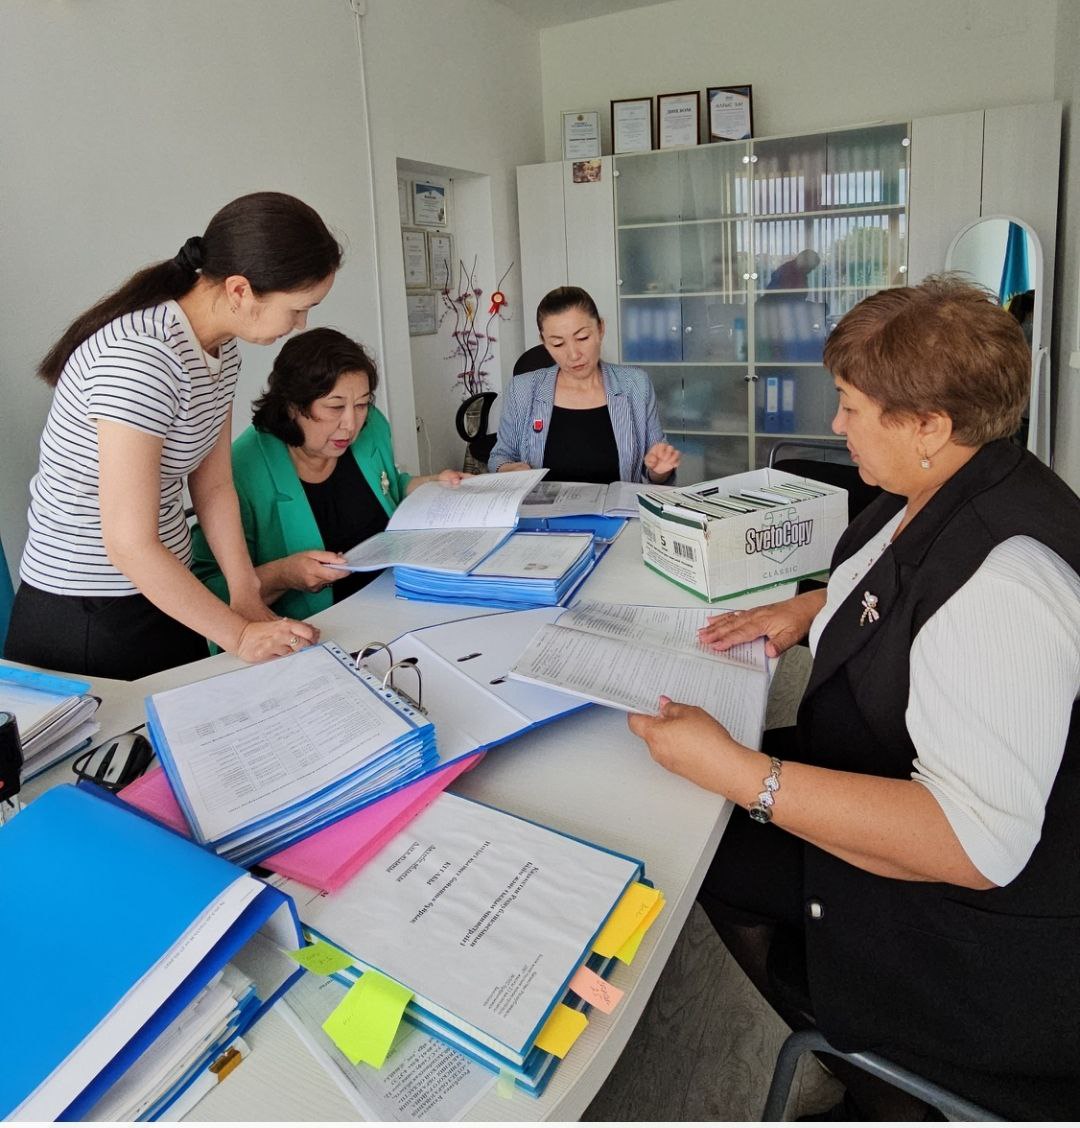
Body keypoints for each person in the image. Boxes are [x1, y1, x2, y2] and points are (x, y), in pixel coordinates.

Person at [628, 277, 1080, 1120]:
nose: (835, 425)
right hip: (882, 762)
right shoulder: (952, 481)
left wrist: (747, 776)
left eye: (851, 406)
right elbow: (892, 576)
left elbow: (975, 845)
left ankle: (880, 1070)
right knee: (694, 815)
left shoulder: (1004, 589)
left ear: (928, 425)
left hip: (974, 921)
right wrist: (810, 609)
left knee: (704, 834)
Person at [4, 192, 342, 680]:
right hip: (89, 613)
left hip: (165, 591)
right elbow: (128, 544)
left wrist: (244, 591)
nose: (301, 324)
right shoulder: (140, 358)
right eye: (297, 309)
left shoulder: (220, 351)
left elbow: (214, 485)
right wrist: (239, 636)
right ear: (241, 290)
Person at [191, 328, 467, 622]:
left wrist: (431, 486)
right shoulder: (240, 470)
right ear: (292, 405)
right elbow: (208, 592)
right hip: (315, 626)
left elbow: (388, 489)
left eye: (361, 404)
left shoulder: (371, 428)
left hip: (397, 601)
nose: (351, 424)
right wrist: (284, 575)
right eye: (335, 407)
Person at [488, 286, 680, 484]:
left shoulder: (635, 385)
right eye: (557, 343)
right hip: (541, 505)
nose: (573, 355)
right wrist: (508, 468)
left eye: (582, 338)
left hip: (620, 505)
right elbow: (500, 457)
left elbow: (656, 467)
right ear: (544, 342)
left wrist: (659, 470)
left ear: (600, 329)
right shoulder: (522, 389)